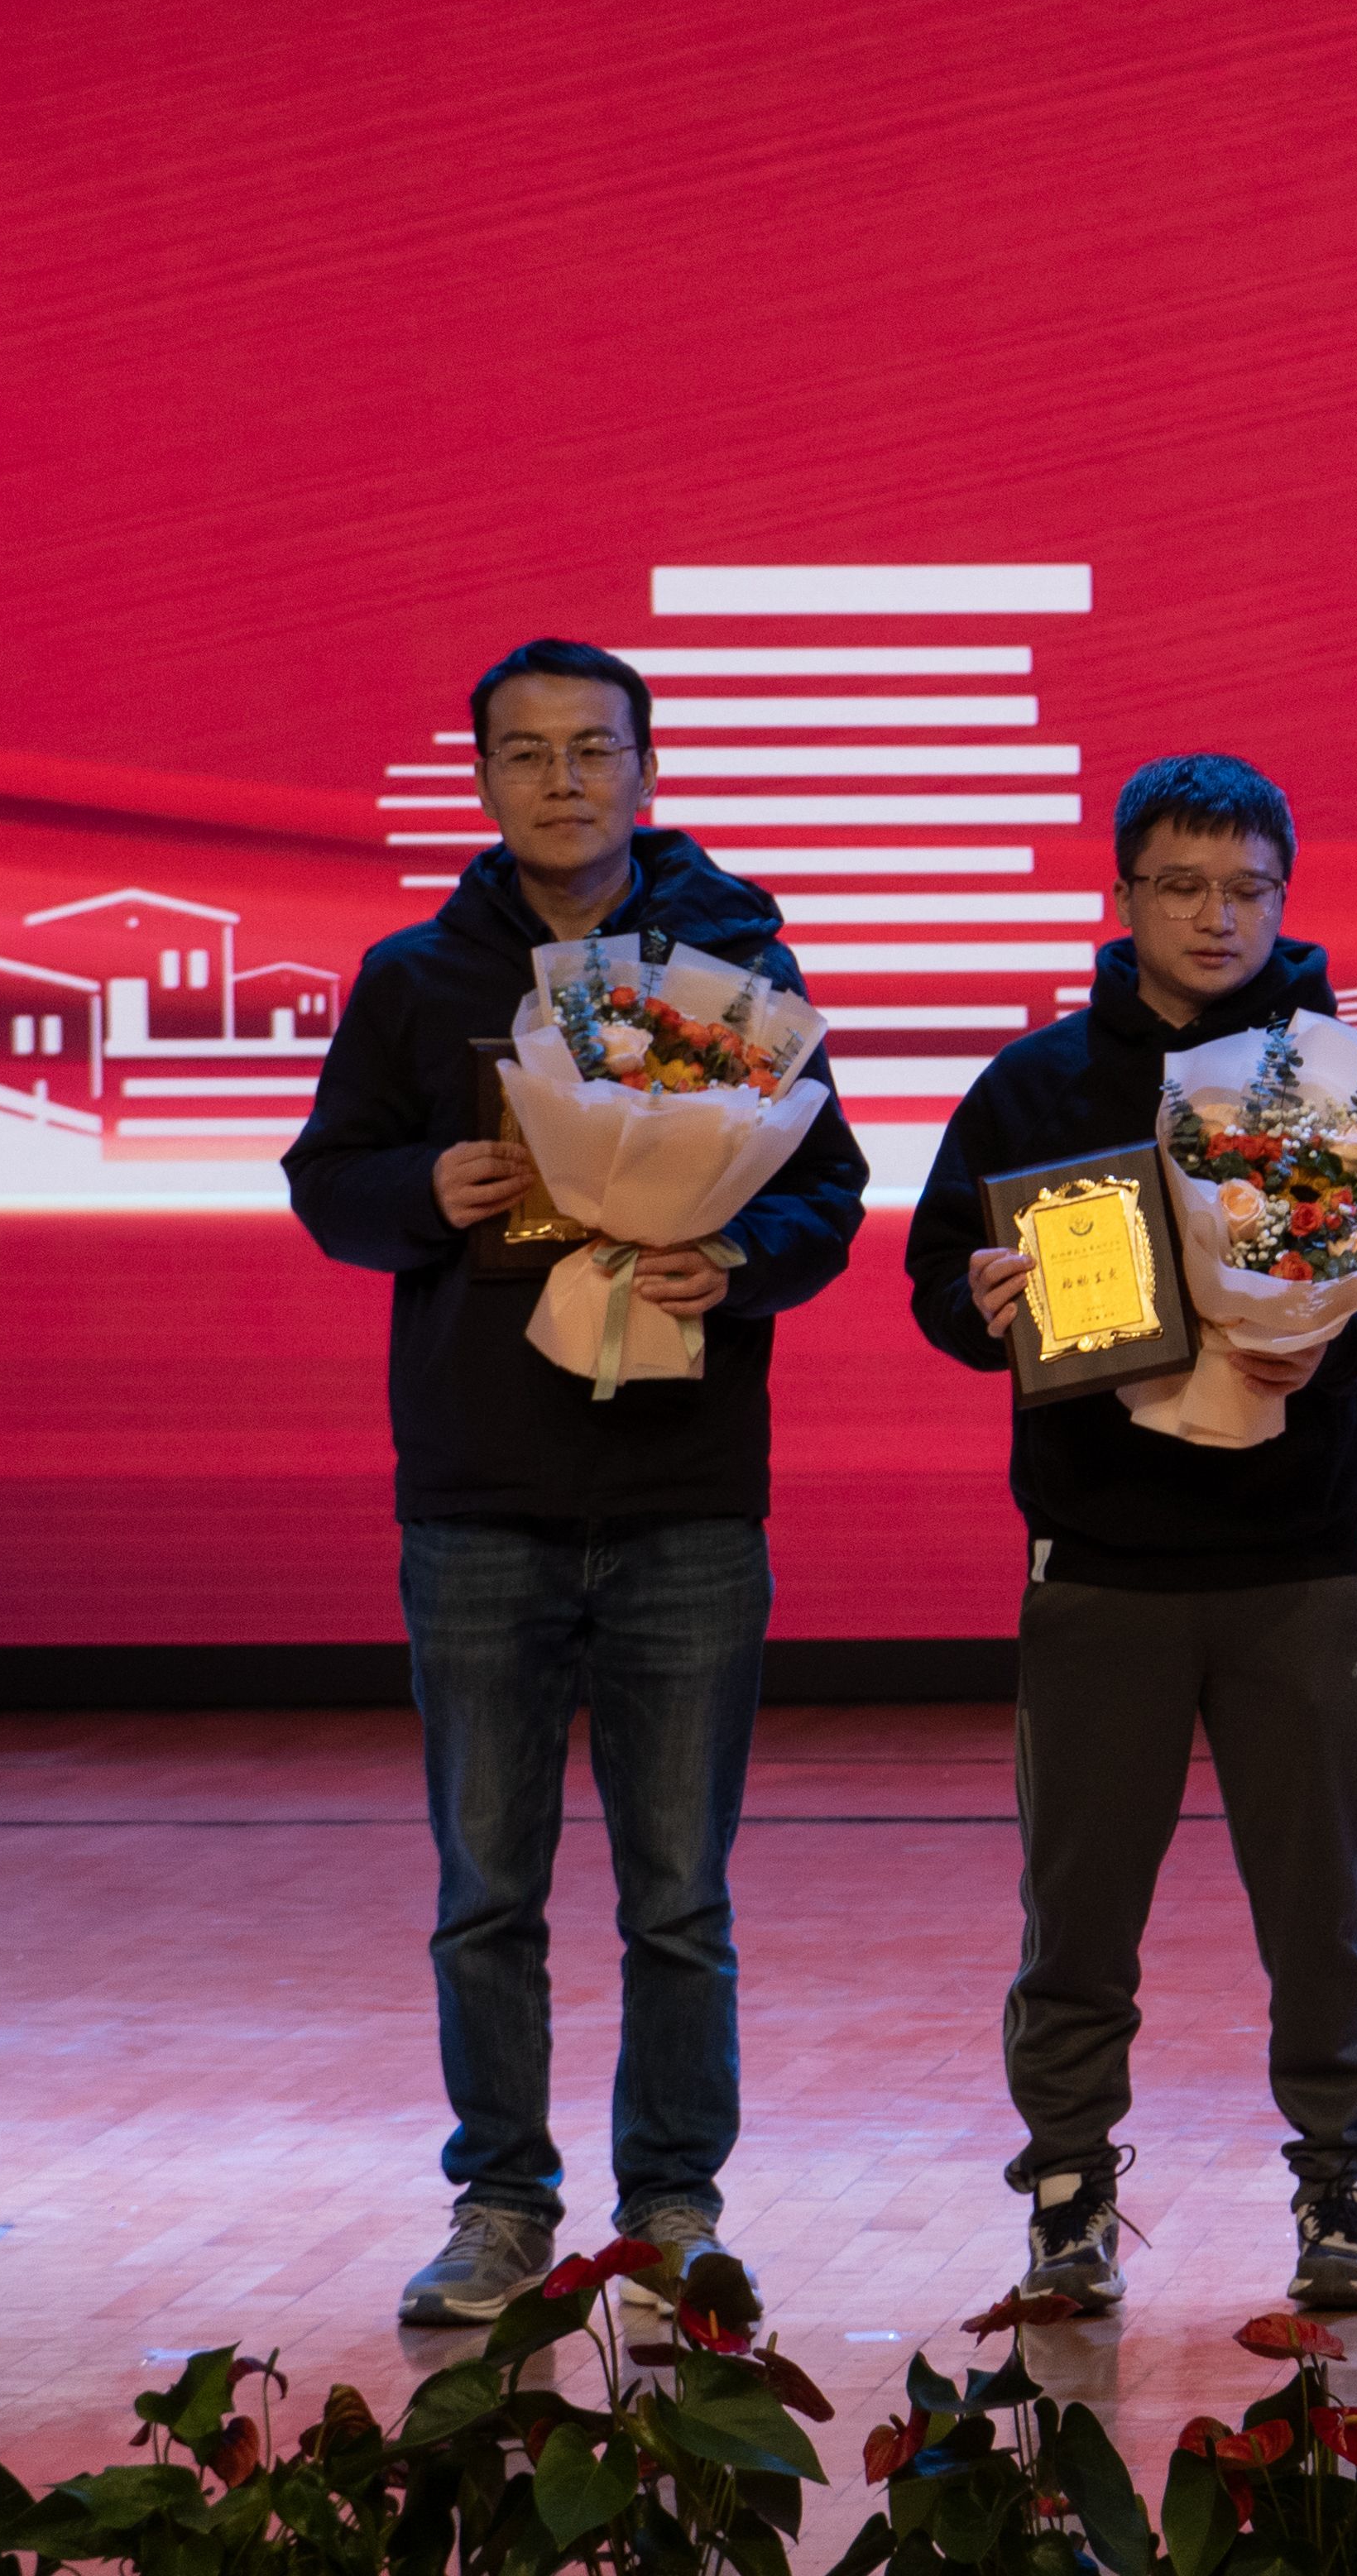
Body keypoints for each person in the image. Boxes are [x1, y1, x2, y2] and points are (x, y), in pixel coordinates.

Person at [285, 639, 868, 2326]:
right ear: (482, 779)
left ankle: (673, 2208)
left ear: (646, 769)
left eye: (593, 748)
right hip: (480, 1494)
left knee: (680, 1897)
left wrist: (736, 1257)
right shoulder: (415, 978)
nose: (562, 779)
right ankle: (500, 2204)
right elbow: (328, 1181)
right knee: (488, 1893)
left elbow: (827, 1189)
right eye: (527, 752)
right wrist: (427, 1185)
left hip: (687, 1493)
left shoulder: (735, 964)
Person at [907, 751, 1357, 2317]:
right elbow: (940, 1282)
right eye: (1183, 886)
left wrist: (1329, 1347)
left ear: (1285, 898)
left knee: (1322, 1916)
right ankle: (1068, 2190)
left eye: (1247, 889)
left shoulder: (1348, 1084)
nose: (1217, 916)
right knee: (1076, 1919)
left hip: (1299, 1563)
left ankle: (1342, 2183)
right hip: (1102, 1566)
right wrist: (978, 1300)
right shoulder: (1037, 1085)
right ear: (1124, 895)